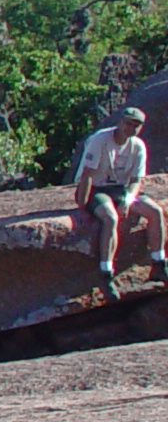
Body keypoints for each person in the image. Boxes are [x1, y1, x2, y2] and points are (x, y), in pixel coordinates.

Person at [74, 107, 164, 297]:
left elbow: (135, 181)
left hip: (121, 190)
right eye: (128, 123)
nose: (130, 128)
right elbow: (87, 175)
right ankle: (106, 274)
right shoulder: (101, 139)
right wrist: (82, 207)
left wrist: (128, 201)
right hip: (97, 189)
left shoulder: (138, 146)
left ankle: (159, 264)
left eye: (136, 125)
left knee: (154, 211)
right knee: (110, 218)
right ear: (121, 121)